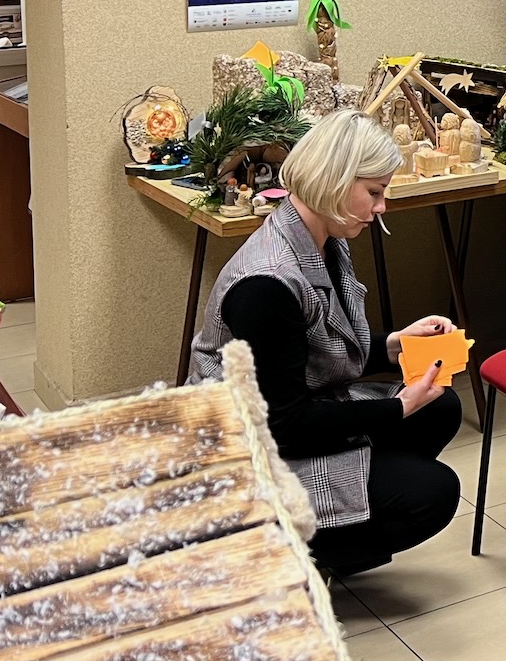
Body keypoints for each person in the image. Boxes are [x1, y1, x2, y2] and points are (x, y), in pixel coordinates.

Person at [186, 108, 462, 577]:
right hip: (247, 448)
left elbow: (312, 352)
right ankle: (274, 561)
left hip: (288, 414)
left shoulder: (318, 236)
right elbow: (285, 424)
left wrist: (395, 345)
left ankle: (345, 511)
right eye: (374, 192)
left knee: (440, 407)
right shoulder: (266, 284)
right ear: (335, 181)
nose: (382, 207)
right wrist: (397, 408)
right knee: (433, 493)